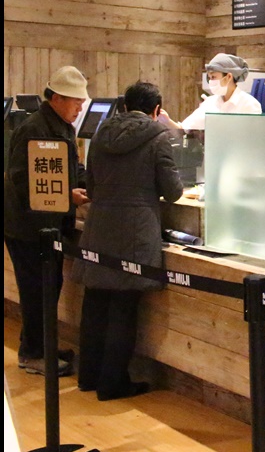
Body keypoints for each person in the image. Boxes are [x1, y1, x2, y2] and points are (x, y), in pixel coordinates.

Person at [71, 81, 184, 400]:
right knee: (123, 307)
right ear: (157, 110)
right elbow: (173, 192)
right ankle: (113, 383)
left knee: (95, 303)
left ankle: (88, 376)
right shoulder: (158, 137)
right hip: (135, 232)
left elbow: (92, 186)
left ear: (123, 106)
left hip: (99, 227)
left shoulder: (100, 134)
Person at [3, 66, 91, 376]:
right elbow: (22, 180)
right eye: (75, 101)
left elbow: (73, 168)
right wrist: (67, 197)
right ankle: (32, 354)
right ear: (56, 99)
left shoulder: (62, 127)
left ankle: (41, 346)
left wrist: (91, 184)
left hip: (47, 226)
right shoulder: (34, 129)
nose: (80, 107)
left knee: (48, 287)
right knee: (36, 291)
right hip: (26, 228)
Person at [161, 53, 261, 130]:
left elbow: (253, 138)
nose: (211, 81)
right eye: (209, 78)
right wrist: (167, 121)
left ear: (229, 77)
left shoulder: (249, 104)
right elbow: (184, 129)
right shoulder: (210, 102)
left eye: (213, 77)